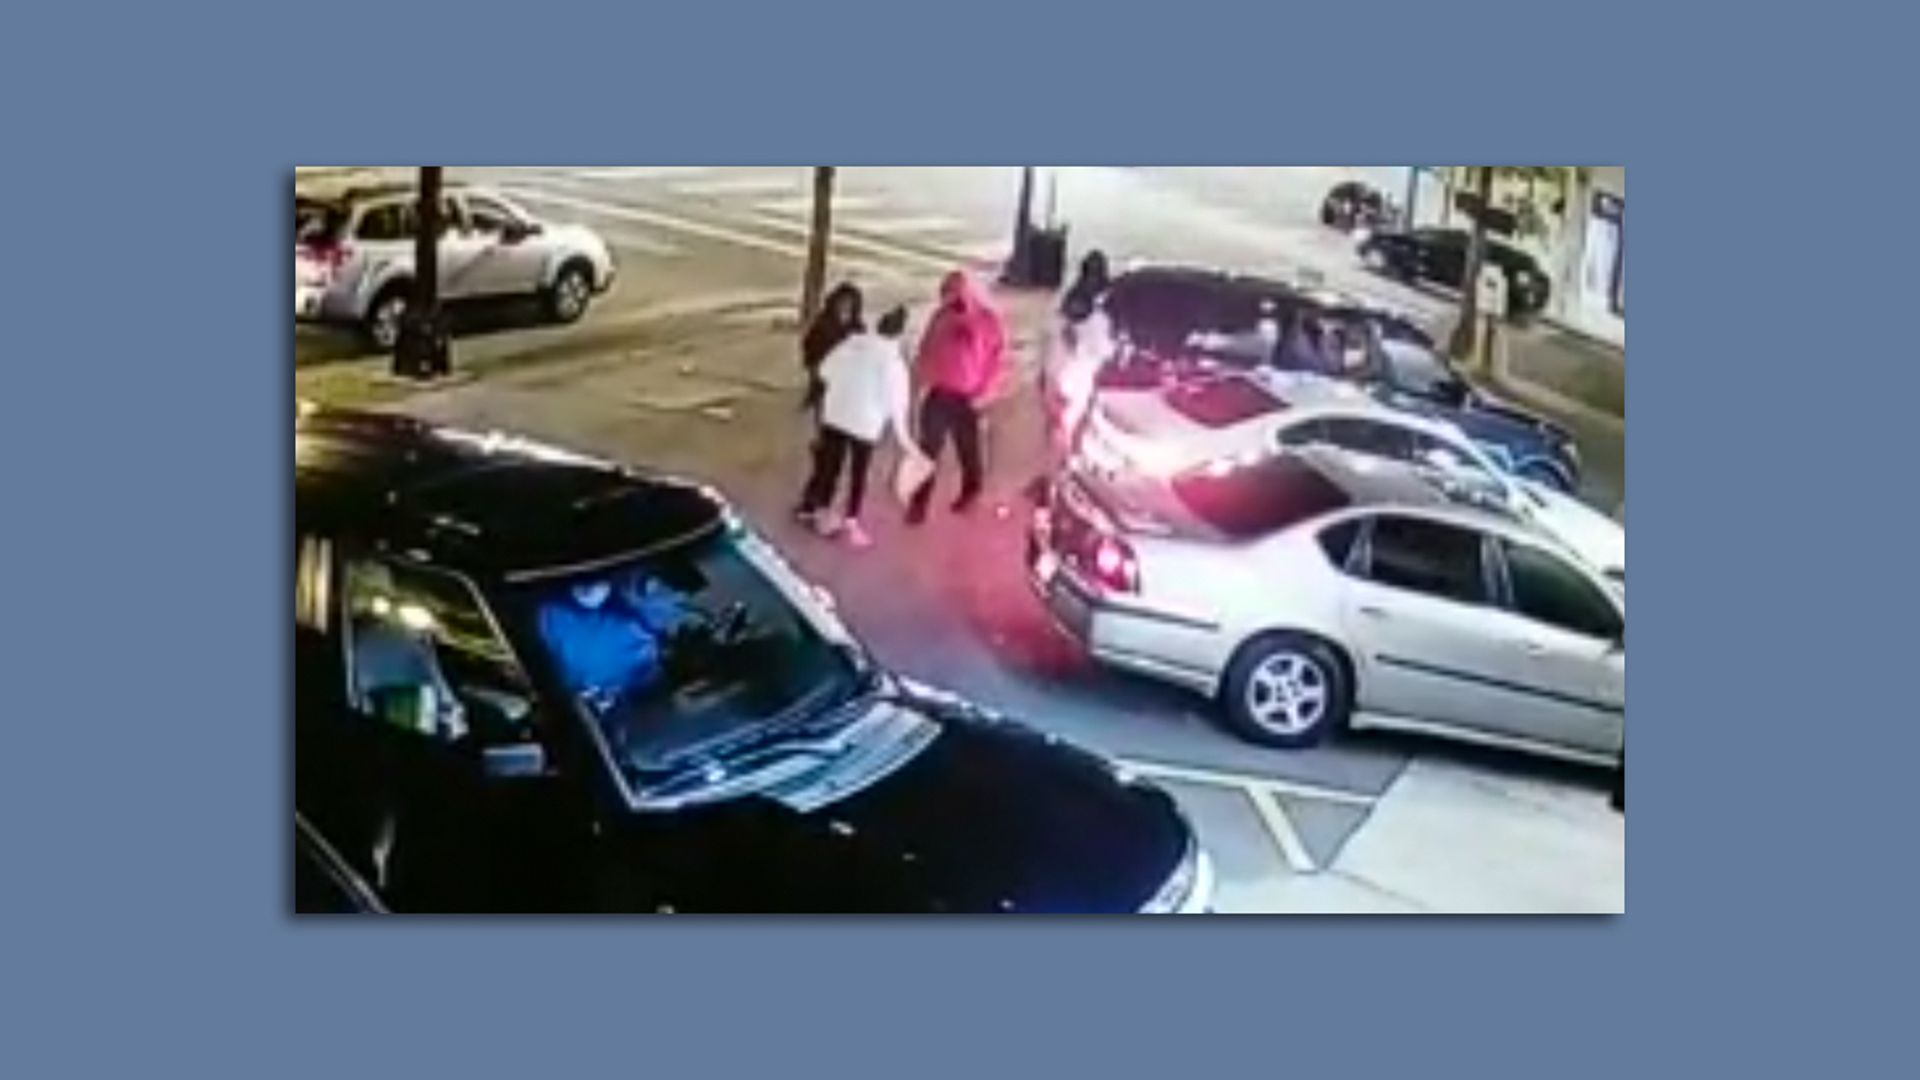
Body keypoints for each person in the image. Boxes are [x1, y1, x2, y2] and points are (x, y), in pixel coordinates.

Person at [796, 305, 917, 548]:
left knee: (829, 466)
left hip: (835, 415)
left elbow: (824, 371)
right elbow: (897, 403)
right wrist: (905, 440)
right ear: (899, 334)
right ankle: (851, 521)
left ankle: (817, 510)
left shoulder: (849, 345)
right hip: (865, 424)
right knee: (858, 474)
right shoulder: (893, 363)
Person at [907, 272, 1005, 525]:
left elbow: (995, 361)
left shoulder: (985, 321)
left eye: (950, 295)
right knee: (929, 451)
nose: (947, 300)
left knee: (968, 451)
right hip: (941, 392)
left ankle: (971, 491)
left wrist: (984, 392)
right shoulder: (942, 318)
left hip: (967, 397)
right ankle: (919, 503)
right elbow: (926, 348)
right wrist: (921, 378)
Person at [1042, 251, 1114, 465]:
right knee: (1072, 423)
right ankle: (1065, 464)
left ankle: (1055, 464)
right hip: (1083, 377)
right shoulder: (1103, 311)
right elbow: (1104, 348)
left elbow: (1052, 333)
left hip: (1060, 370)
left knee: (1057, 422)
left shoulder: (1069, 299)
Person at [800, 283, 865, 412]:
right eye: (842, 301)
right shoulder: (822, 324)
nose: (844, 305)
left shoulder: (858, 327)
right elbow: (810, 348)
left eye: (849, 302)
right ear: (835, 301)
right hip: (824, 373)